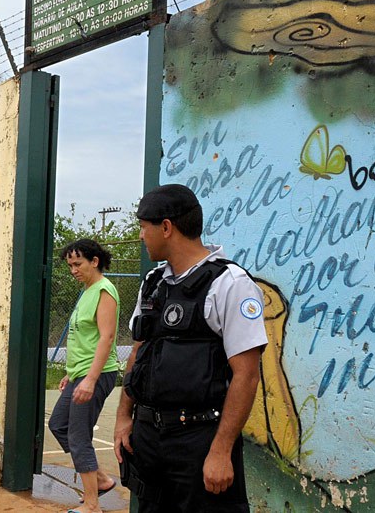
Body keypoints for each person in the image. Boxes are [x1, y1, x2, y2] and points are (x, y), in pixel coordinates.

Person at [113, 184, 268, 513]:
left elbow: (247, 375)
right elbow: (140, 351)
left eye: (143, 227)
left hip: (199, 440)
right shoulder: (154, 283)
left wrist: (221, 450)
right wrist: (123, 417)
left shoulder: (231, 284)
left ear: (166, 228)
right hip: (148, 438)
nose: (141, 236)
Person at [48, 239, 120, 513]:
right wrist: (71, 373)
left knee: (78, 437)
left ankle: (92, 505)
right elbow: (82, 339)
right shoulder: (87, 291)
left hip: (97, 374)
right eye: (70, 266)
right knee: (58, 424)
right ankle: (100, 479)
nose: (73, 270)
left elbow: (106, 337)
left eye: (77, 264)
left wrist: (90, 378)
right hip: (80, 374)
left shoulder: (104, 290)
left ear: (95, 261)